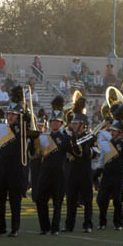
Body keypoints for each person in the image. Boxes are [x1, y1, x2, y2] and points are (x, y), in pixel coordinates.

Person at [0, 86, 33, 237]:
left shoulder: (23, 129)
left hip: (16, 168)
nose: (10, 116)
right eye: (9, 114)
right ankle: (0, 227)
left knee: (15, 200)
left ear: (19, 116)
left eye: (13, 114)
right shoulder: (2, 128)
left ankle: (14, 228)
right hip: (2, 167)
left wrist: (23, 122)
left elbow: (28, 139)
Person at [36, 96, 80, 235]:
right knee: (39, 199)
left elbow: (76, 153)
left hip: (59, 172)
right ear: (49, 123)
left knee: (58, 202)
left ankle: (55, 228)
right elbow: (35, 154)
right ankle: (45, 227)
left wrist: (74, 138)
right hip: (45, 171)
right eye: (52, 121)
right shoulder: (43, 137)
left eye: (57, 121)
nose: (54, 123)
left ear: (61, 123)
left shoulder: (66, 138)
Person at [95, 104, 123, 231]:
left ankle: (118, 222)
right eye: (112, 131)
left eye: (114, 131)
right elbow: (102, 157)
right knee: (102, 200)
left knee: (117, 201)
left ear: (120, 132)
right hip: (107, 174)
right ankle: (102, 223)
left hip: (119, 174)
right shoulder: (106, 144)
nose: (112, 133)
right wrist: (98, 170)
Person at [64, 97, 95, 233]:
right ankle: (69, 225)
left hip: (85, 171)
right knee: (70, 199)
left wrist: (85, 148)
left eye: (76, 124)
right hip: (71, 171)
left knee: (87, 199)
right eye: (73, 123)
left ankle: (88, 224)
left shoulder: (91, 137)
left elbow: (95, 153)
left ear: (83, 125)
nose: (73, 125)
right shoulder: (69, 137)